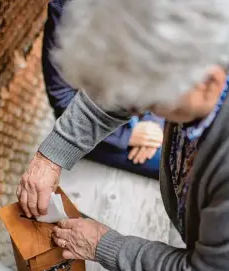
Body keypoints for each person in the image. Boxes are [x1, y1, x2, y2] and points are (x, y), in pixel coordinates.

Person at [17, 0, 229, 271]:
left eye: (147, 104)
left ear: (207, 84)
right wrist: (53, 155)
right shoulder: (215, 16)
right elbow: (129, 77)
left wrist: (106, 245)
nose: (137, 111)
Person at [42, 0, 165, 180]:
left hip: (151, 108)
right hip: (98, 130)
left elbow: (167, 64)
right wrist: (126, 135)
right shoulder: (68, 13)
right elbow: (62, 96)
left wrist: (154, 120)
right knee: (174, 165)